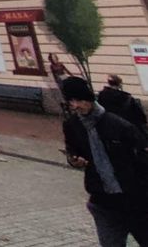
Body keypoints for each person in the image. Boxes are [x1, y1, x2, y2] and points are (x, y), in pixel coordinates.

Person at [61, 76, 148, 246]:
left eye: (79, 100)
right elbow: (72, 150)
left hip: (134, 200)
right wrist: (74, 160)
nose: (75, 105)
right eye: (71, 101)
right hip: (102, 201)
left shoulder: (117, 124)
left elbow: (142, 159)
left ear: (89, 98)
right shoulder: (72, 125)